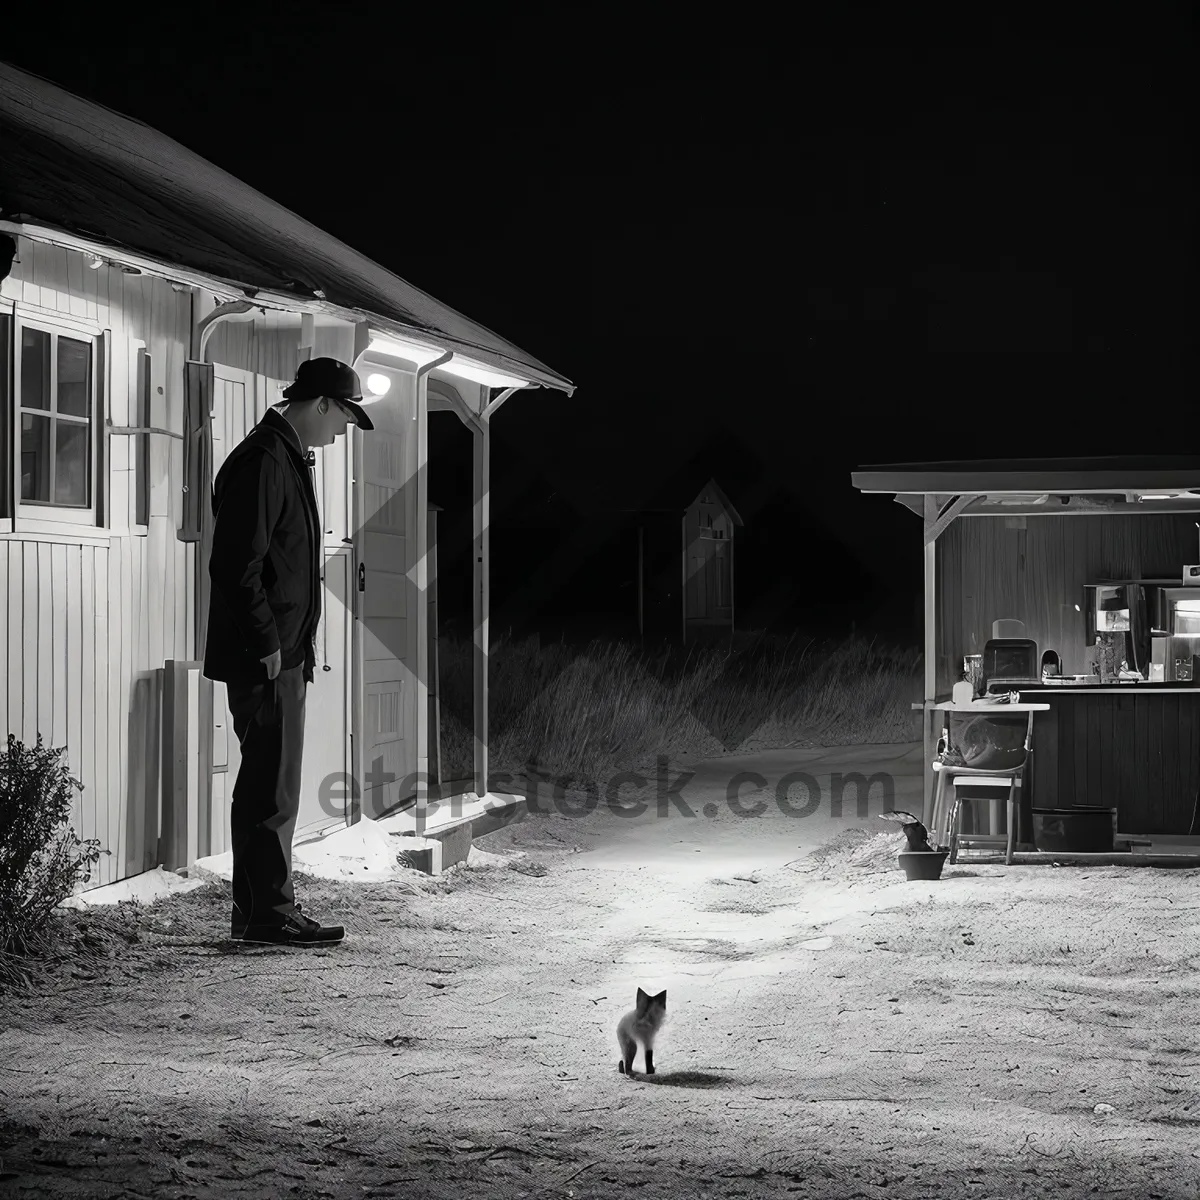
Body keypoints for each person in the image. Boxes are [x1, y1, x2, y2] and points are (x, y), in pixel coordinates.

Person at [203, 357, 374, 946]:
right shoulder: (265, 461)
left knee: (270, 784)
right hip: (268, 656)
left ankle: (263, 912)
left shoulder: (283, 457)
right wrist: (268, 644)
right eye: (344, 416)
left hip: (282, 654)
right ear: (321, 404)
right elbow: (233, 565)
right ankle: (267, 914)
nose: (343, 430)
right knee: (269, 786)